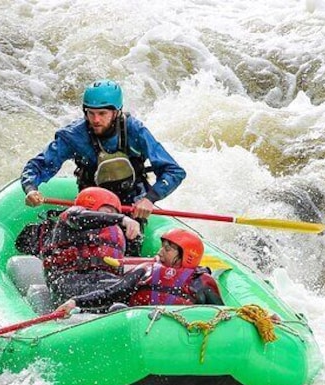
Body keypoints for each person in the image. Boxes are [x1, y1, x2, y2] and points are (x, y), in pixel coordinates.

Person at [20, 79, 186, 222]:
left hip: (130, 204)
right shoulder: (74, 135)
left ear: (116, 112)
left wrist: (150, 199)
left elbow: (173, 171)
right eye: (90, 113)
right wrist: (31, 189)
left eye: (102, 113)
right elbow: (37, 166)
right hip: (92, 202)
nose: (96, 120)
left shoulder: (135, 131)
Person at [17, 187, 141, 306]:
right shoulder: (72, 217)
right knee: (117, 292)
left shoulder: (113, 234)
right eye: (107, 212)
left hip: (101, 280)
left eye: (114, 213)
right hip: (68, 281)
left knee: (135, 288)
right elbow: (81, 218)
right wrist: (123, 218)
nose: (111, 218)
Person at [57, 228, 224, 313]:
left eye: (167, 249)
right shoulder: (146, 270)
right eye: (162, 247)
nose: (160, 252)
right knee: (117, 308)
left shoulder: (201, 281)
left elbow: (224, 315)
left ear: (186, 255)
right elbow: (111, 293)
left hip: (179, 332)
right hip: (140, 326)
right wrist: (75, 301)